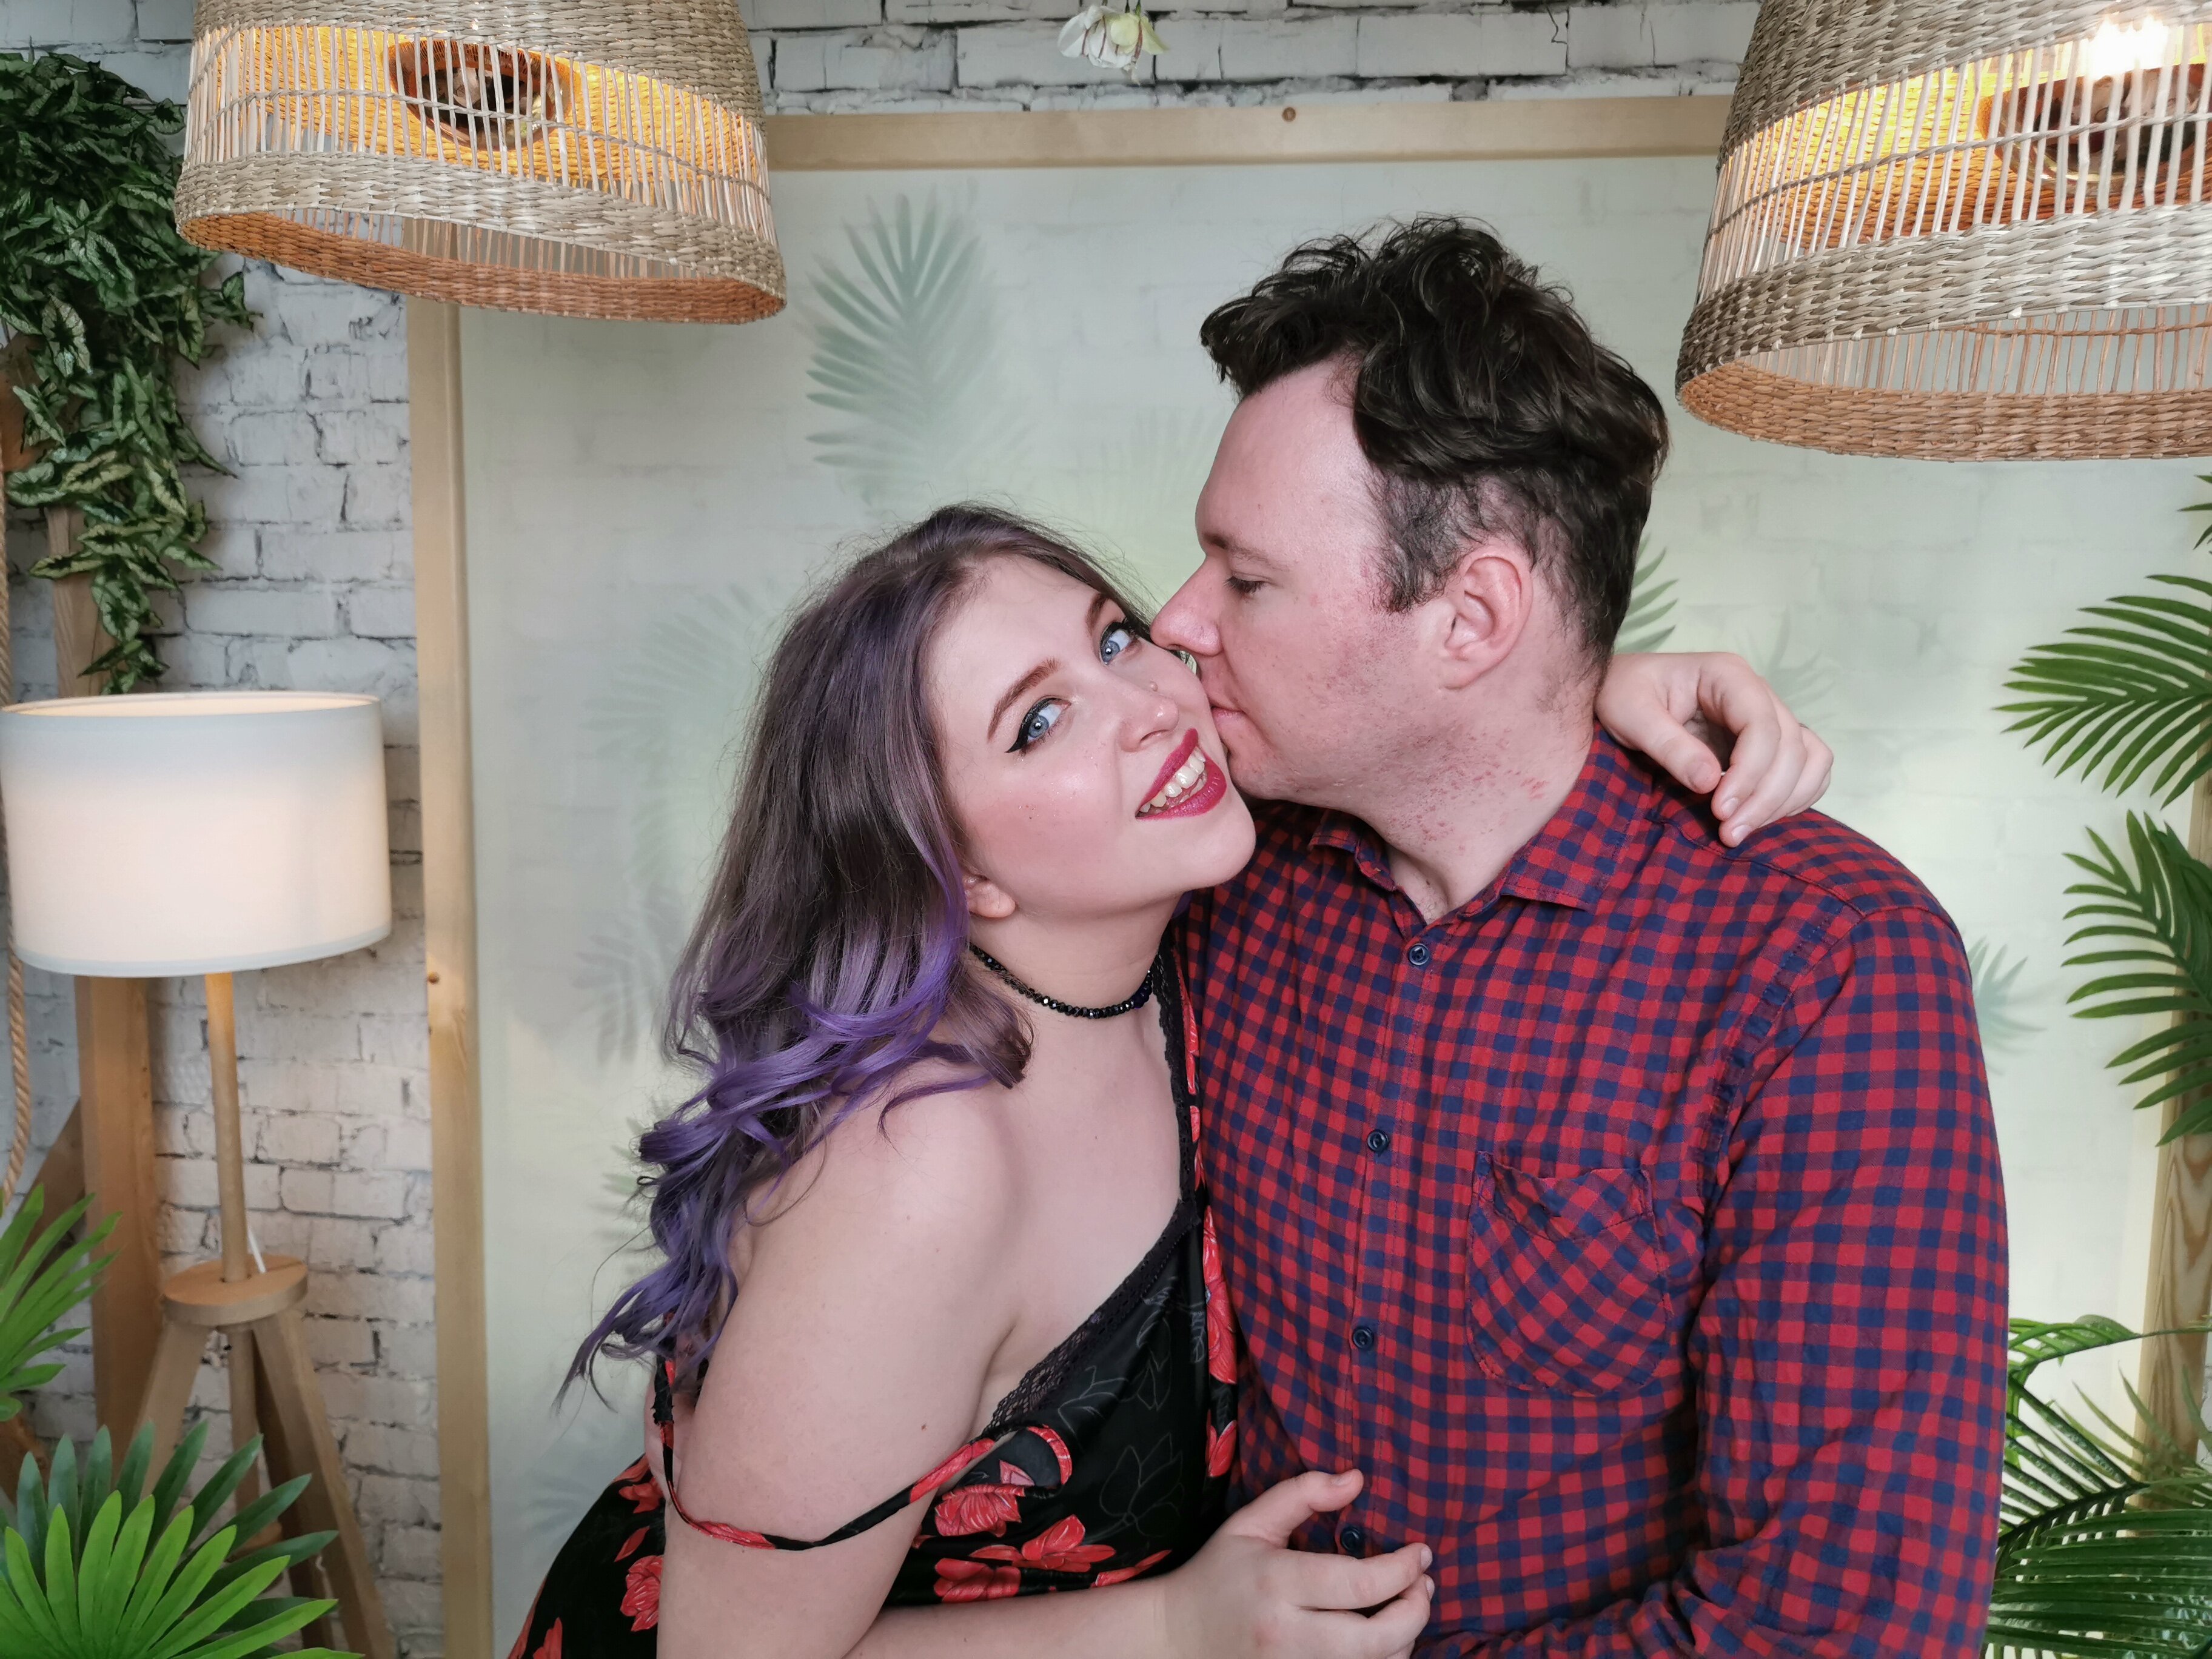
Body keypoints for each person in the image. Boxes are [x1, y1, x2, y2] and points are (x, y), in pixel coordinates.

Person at [511, 504, 1827, 1659]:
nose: (1151, 706)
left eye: (1116, 638)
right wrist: (1172, 1631)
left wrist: (1566, 687)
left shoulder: (1198, 926)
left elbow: (1427, 749)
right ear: (957, 871)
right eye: (1039, 723)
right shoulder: (918, 1170)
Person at [1150, 217, 2009, 1655]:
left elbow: (1836, 1629)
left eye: (1245, 579)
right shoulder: (1220, 872)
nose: (1180, 622)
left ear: (1472, 616)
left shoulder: (1822, 964)